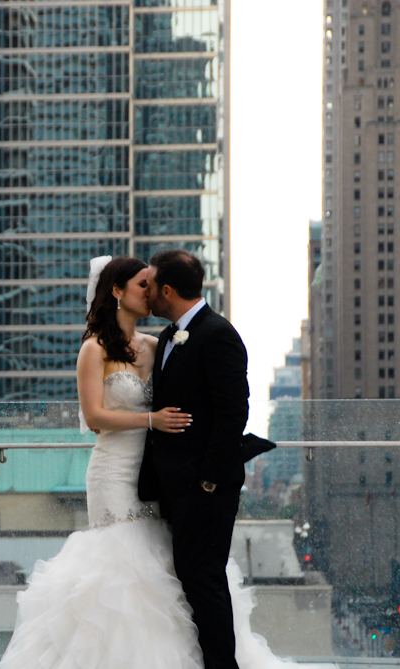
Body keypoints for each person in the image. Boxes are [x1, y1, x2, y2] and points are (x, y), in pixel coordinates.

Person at [0, 255, 335, 669]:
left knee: (162, 571)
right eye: (141, 284)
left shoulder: (161, 344)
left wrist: (210, 470)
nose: (148, 291)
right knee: (119, 568)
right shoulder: (93, 350)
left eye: (150, 283)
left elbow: (212, 406)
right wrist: (150, 419)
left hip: (162, 478)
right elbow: (96, 419)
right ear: (117, 291)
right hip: (114, 472)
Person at [138, 249, 247, 669]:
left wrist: (207, 481)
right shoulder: (168, 337)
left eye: (148, 284)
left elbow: (233, 413)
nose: (145, 292)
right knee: (190, 579)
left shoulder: (217, 334)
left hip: (206, 491)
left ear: (166, 290)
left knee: (204, 583)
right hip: (174, 489)